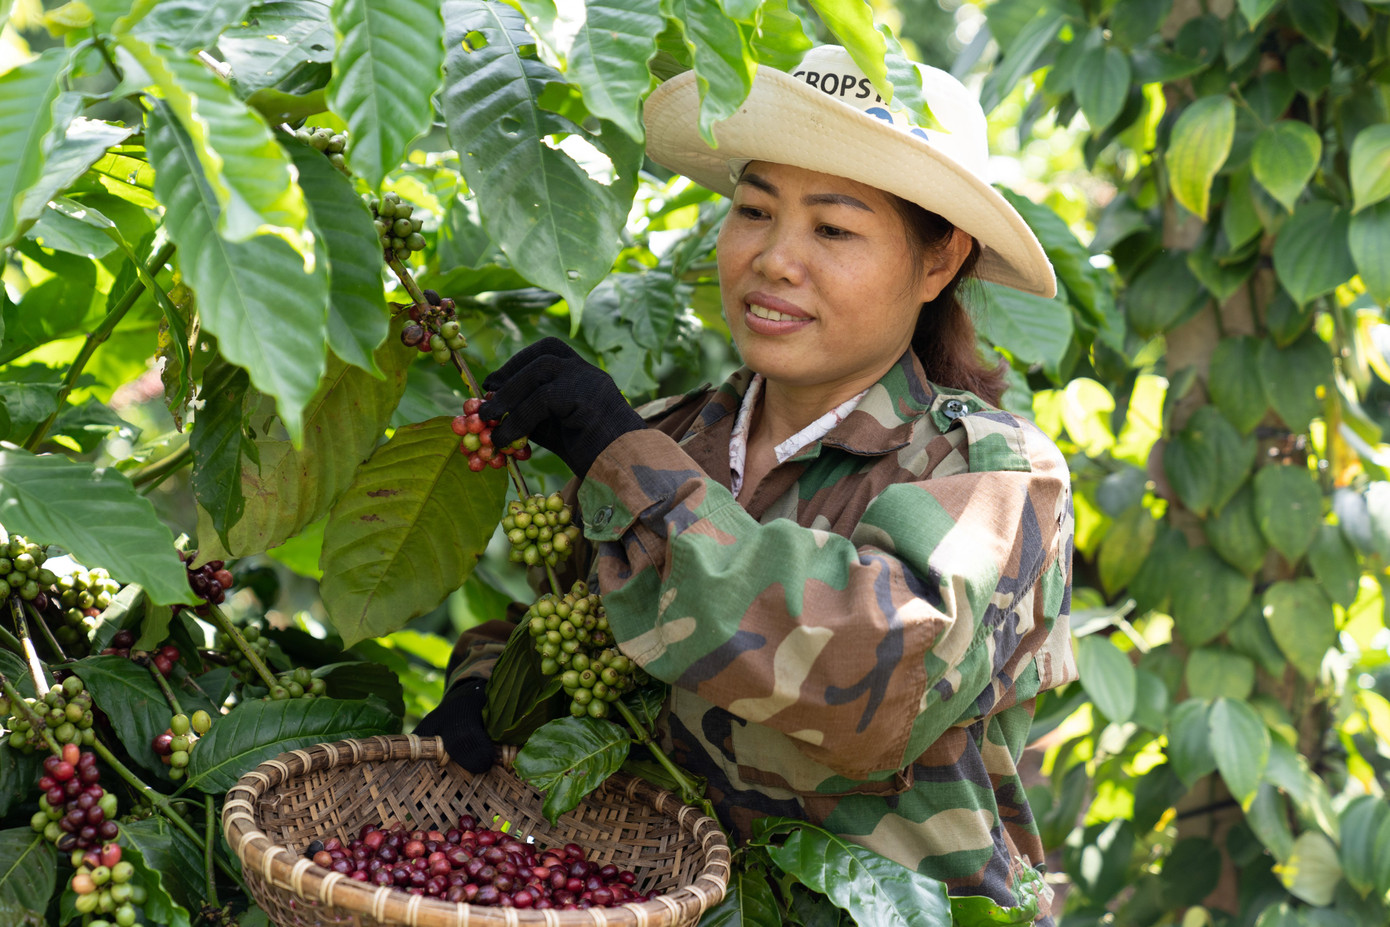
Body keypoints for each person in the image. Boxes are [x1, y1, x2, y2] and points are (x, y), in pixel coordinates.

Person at [415, 43, 1077, 923]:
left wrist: (624, 459)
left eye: (834, 230)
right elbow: (566, 620)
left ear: (939, 262)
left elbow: (873, 674)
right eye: (755, 210)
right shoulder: (672, 434)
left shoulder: (995, 473)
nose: (774, 259)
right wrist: (488, 683)